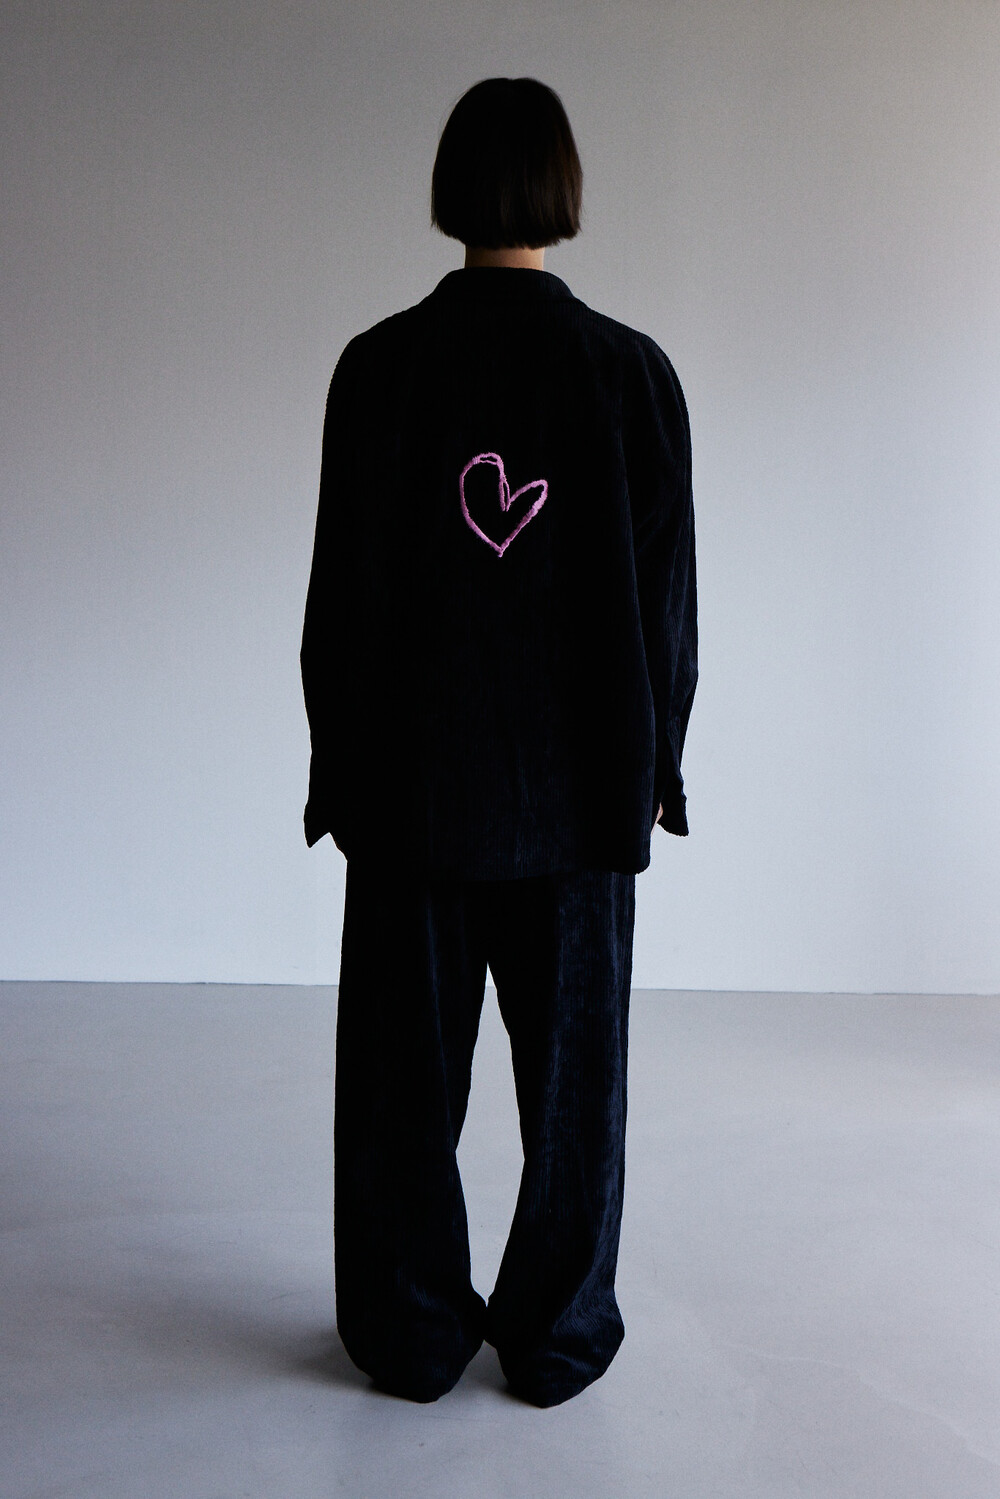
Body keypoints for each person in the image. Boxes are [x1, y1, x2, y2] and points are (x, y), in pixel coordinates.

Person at [300, 76, 697, 1408]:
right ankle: (560, 1334)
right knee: (576, 1093)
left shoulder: (379, 369)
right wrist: (660, 766)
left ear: (451, 186)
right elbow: (667, 602)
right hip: (582, 796)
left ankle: (410, 1333)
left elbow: (339, 598)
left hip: (413, 792)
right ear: (564, 189)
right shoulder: (632, 375)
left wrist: (335, 769)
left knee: (400, 1093)